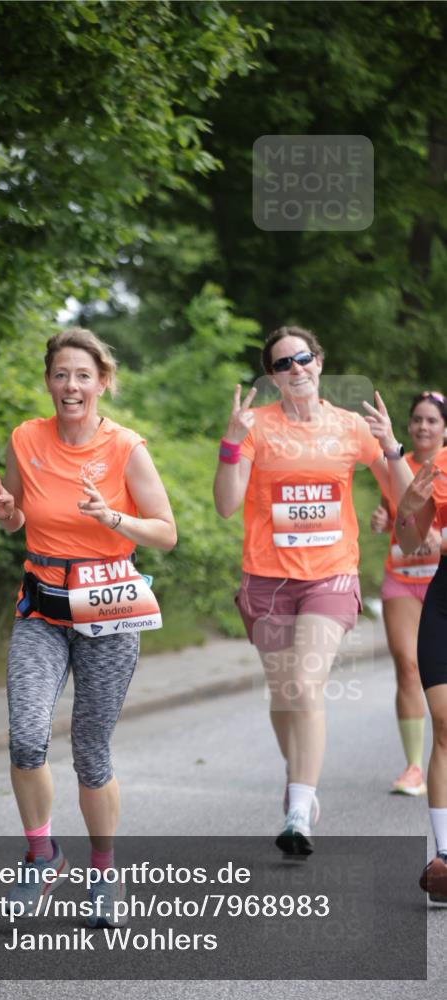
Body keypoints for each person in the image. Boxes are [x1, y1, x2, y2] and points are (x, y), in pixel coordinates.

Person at [0, 327, 176, 924]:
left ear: (103, 382)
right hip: (42, 606)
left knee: (91, 750)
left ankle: (104, 873)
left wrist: (113, 516)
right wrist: (5, 512)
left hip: (109, 611)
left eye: (83, 375)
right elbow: (16, 517)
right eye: (61, 374)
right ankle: (42, 855)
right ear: (49, 381)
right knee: (26, 735)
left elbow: (165, 532)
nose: (71, 386)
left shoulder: (125, 447)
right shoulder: (26, 438)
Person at [213, 325, 413, 856]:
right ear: (273, 377)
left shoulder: (350, 428)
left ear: (320, 363)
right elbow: (227, 505)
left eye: (303, 358)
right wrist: (231, 445)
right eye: (283, 364)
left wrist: (392, 446)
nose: (296, 369)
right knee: (284, 694)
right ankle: (297, 774)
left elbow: (404, 500)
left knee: (304, 683)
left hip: (330, 575)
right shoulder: (255, 426)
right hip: (267, 578)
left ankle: (300, 810)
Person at [370, 391, 447, 795]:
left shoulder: (445, 468)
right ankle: (414, 766)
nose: (422, 427)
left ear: (444, 427)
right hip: (402, 576)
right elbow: (400, 518)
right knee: (407, 665)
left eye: (432, 420)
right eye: (417, 419)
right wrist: (383, 521)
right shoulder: (395, 464)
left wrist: (441, 538)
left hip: (440, 581)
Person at [395, 445, 447, 903]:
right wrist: (408, 508)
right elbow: (410, 542)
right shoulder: (442, 465)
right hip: (444, 597)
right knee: (445, 723)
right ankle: (445, 854)